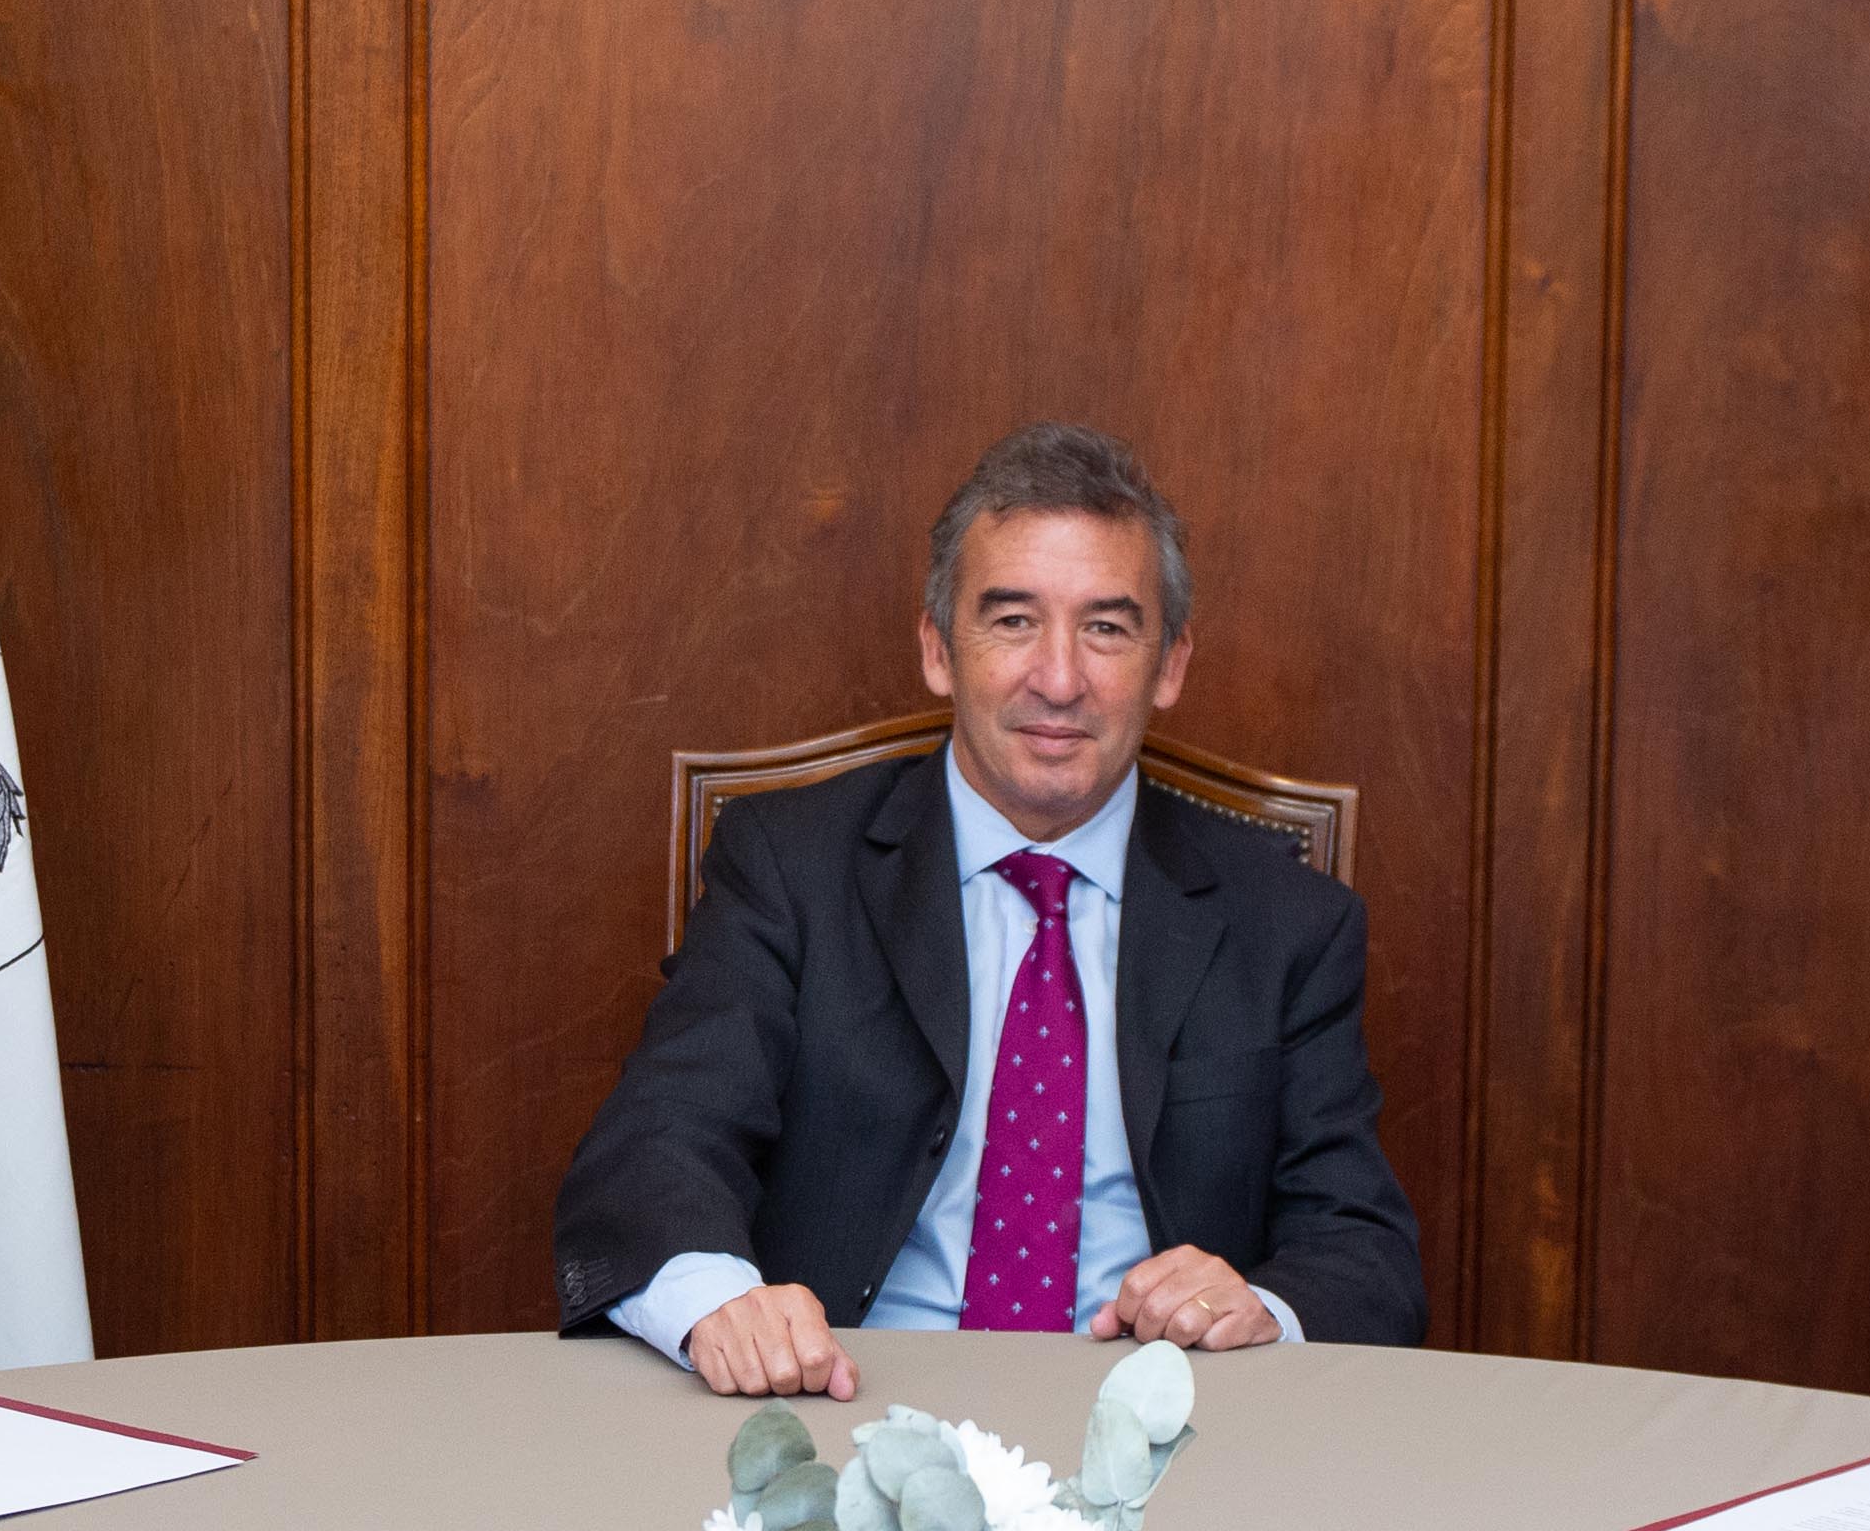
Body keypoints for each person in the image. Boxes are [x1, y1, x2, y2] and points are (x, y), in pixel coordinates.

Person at [555, 422, 1425, 1399]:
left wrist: (1262, 1305)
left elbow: (1365, 1252)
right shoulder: (792, 868)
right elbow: (657, 1144)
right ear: (938, 648)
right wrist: (723, 1304)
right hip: (846, 1401)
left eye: (1106, 628)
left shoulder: (1288, 922)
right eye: (1013, 620)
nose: (1058, 679)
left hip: (1156, 1425)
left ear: (1170, 664)